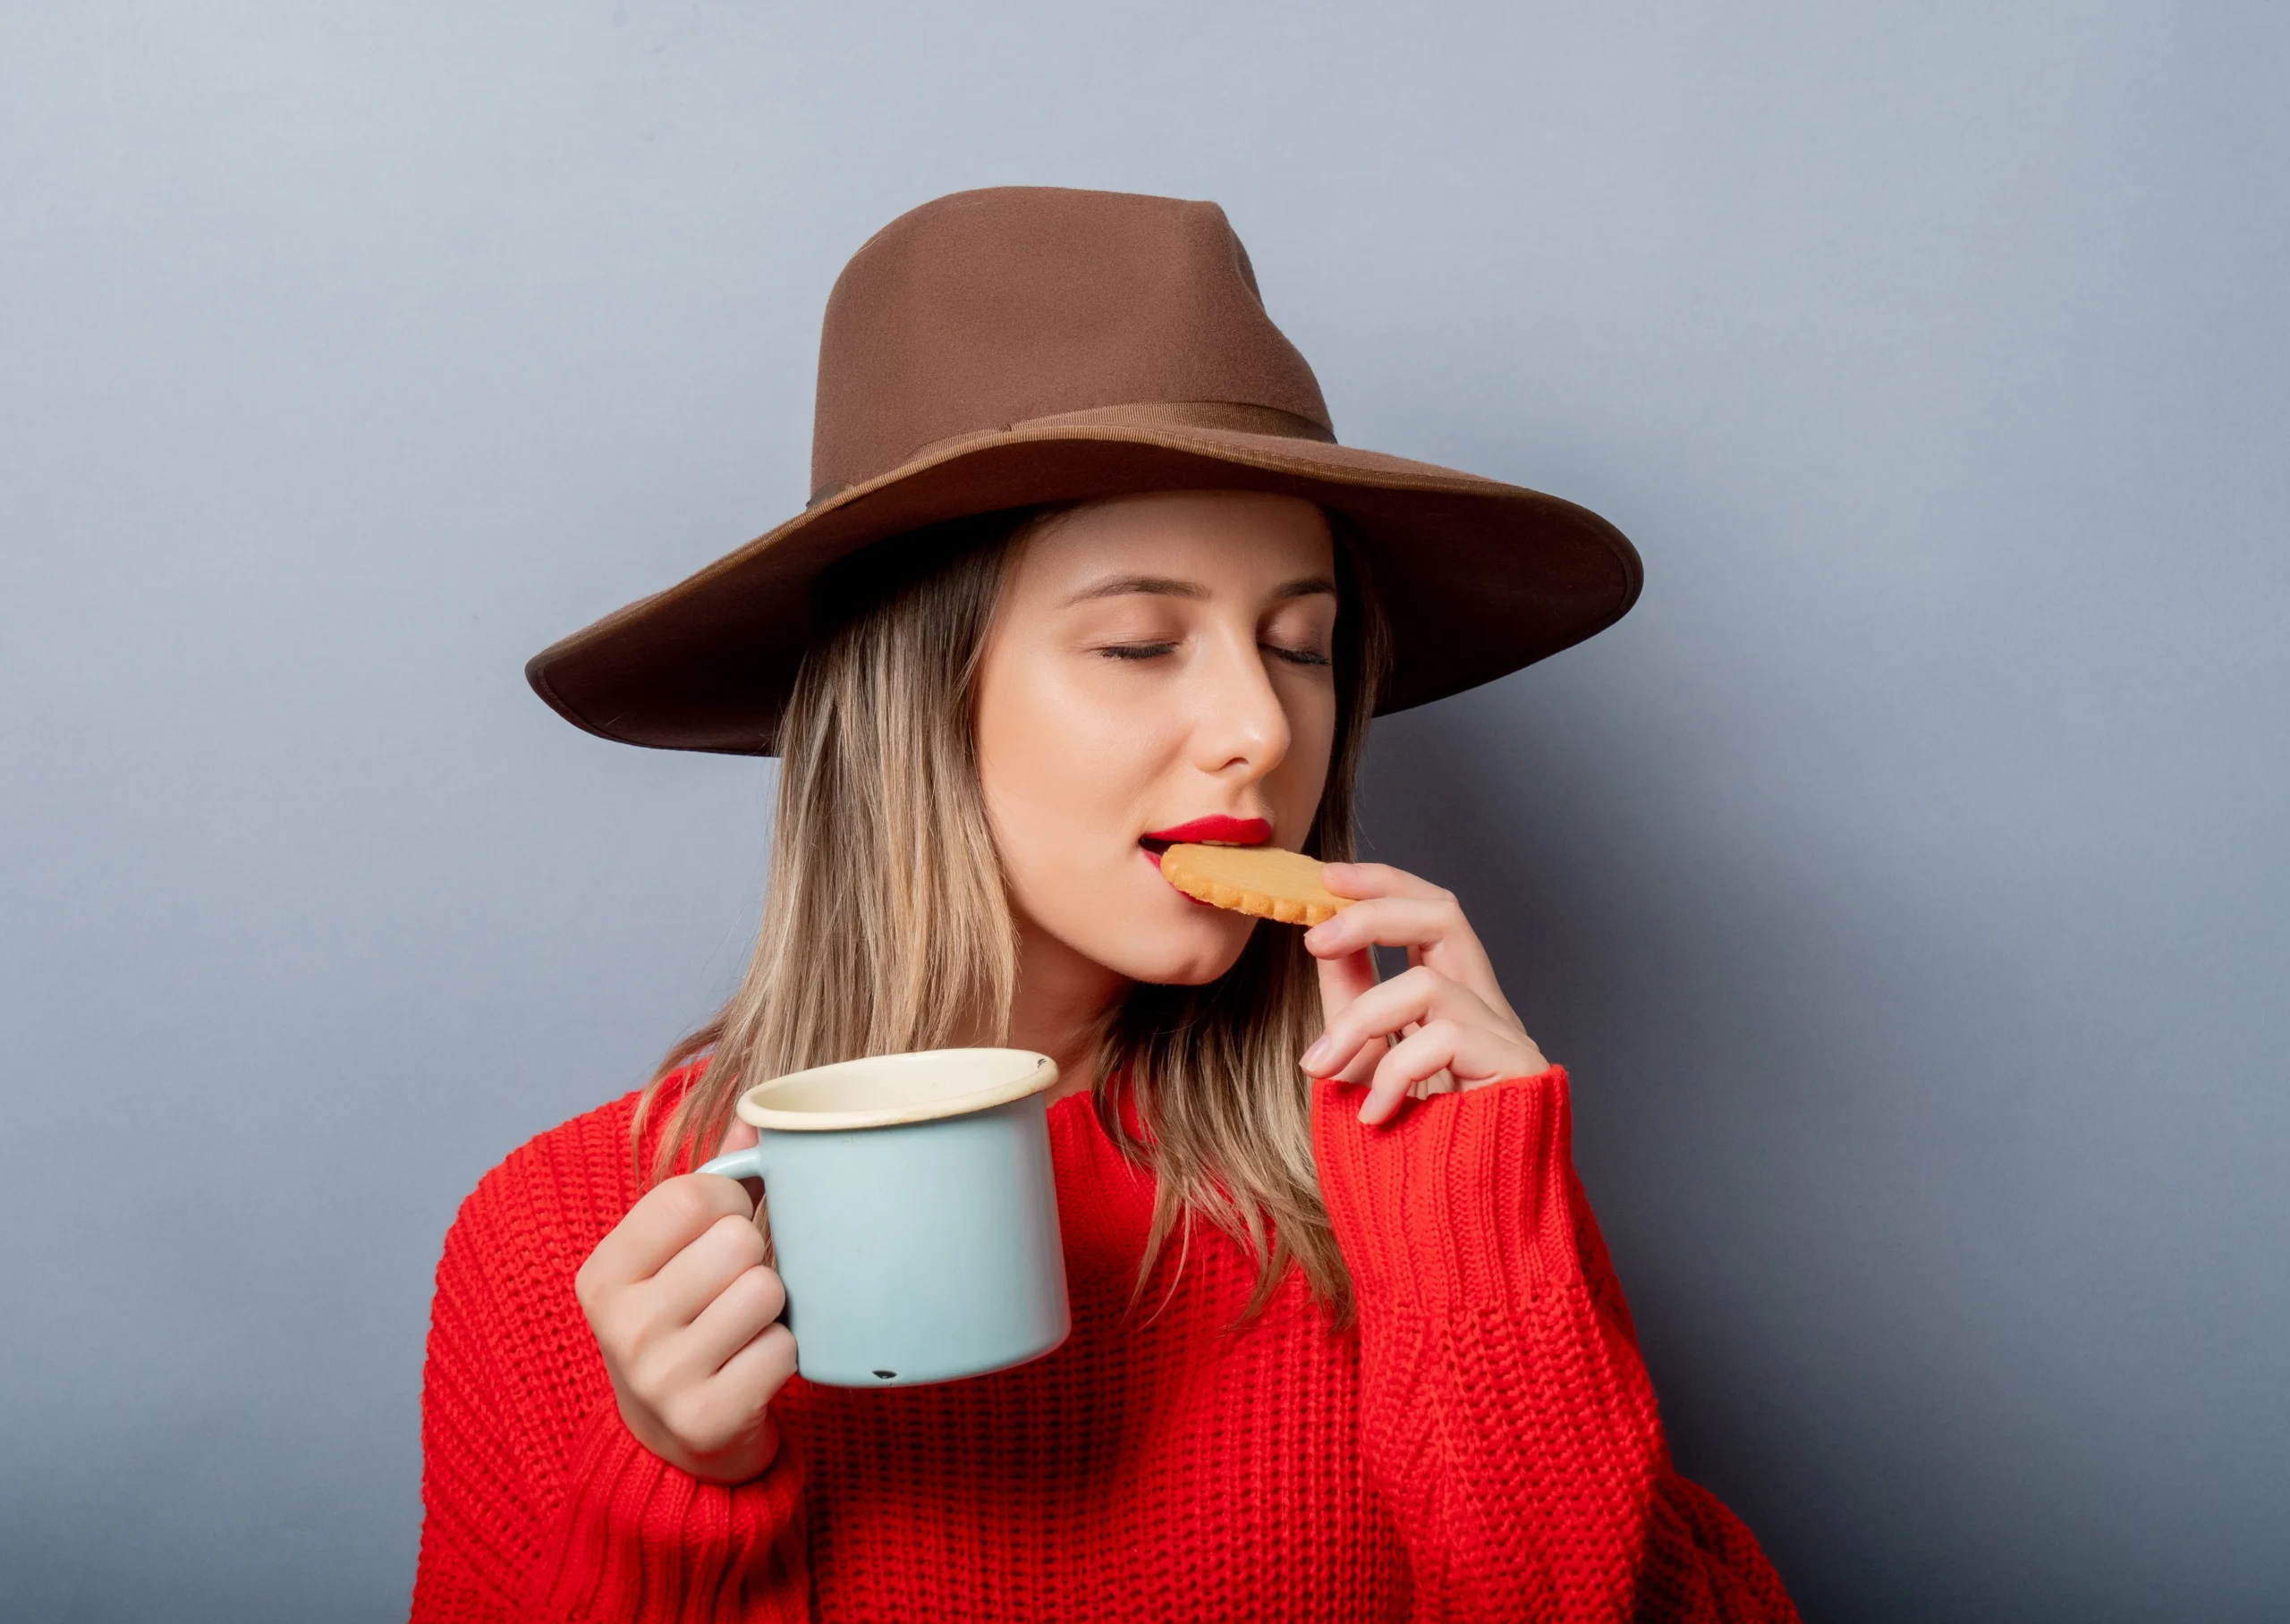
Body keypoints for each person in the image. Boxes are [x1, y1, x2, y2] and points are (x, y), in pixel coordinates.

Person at [411, 186, 1800, 1621]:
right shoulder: (558, 1243)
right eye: (1142, 643)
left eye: (1302, 647)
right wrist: (671, 1496)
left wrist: (1489, 1268)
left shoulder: (1413, 1175)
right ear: (917, 710)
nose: (1261, 728)